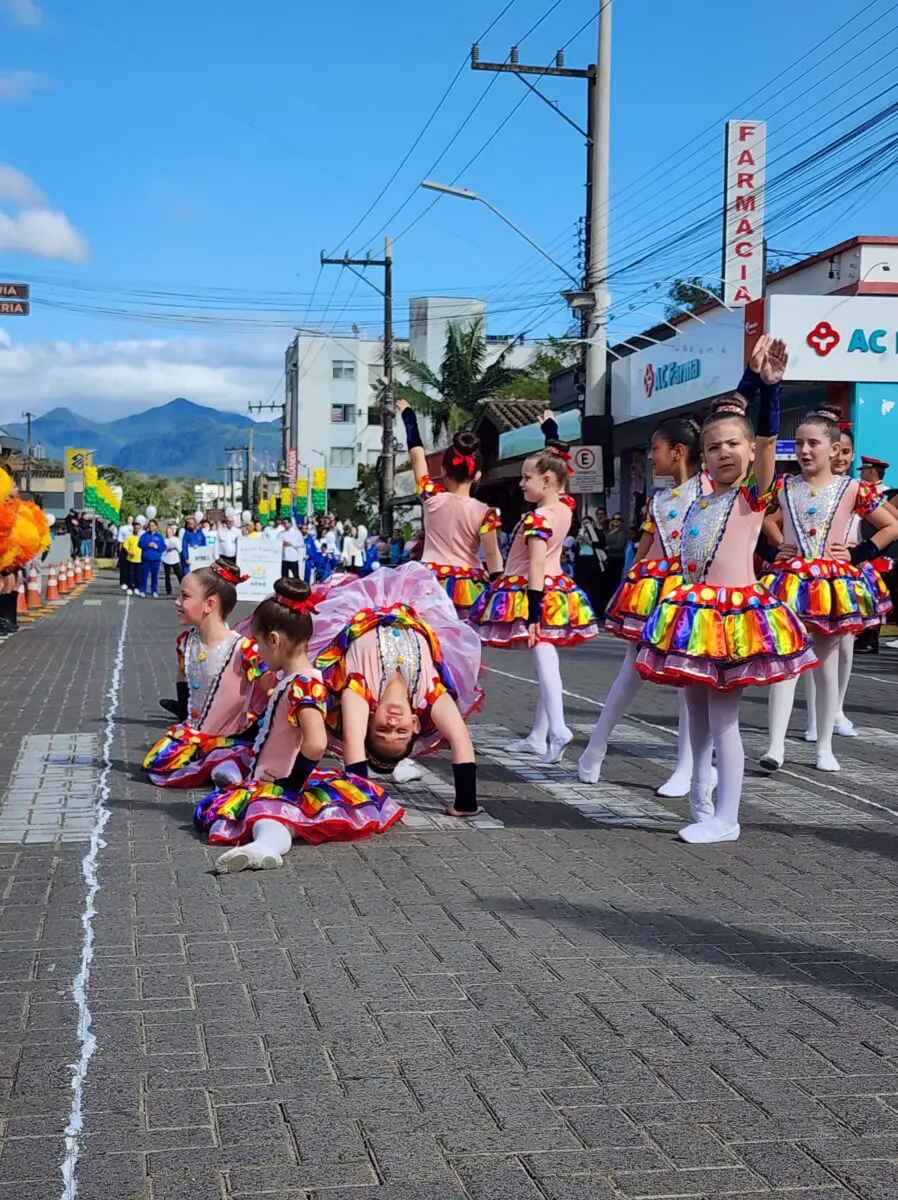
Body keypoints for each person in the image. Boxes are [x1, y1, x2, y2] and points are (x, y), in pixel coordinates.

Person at [635, 335, 815, 845]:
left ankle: (727, 816)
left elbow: (760, 446)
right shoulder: (697, 495)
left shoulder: (751, 495)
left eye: (733, 444)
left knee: (724, 718)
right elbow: (722, 418)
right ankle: (700, 795)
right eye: (713, 447)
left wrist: (769, 391)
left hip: (733, 619)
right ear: (701, 456)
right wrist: (744, 383)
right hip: (693, 612)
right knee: (693, 711)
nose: (724, 452)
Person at [195, 578, 403, 872]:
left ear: (274, 641)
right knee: (255, 805)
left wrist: (292, 784)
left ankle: (265, 847)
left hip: (286, 782)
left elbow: (316, 742)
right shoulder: (295, 680)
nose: (258, 653)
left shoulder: (304, 684)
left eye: (258, 643)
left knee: (269, 814)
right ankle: (263, 841)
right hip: (272, 777)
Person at [578, 415, 712, 799]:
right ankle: (595, 747)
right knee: (631, 671)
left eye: (655, 449)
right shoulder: (660, 500)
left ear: (679, 452)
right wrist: (633, 585)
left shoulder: (716, 493)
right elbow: (644, 550)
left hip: (697, 594)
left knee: (689, 681)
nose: (651, 458)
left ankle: (686, 767)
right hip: (658, 594)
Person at [760, 411, 897, 773]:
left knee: (827, 666)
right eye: (800, 443)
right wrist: (775, 549)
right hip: (790, 581)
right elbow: (758, 518)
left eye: (813, 444)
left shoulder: (853, 489)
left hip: (832, 585)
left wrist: (858, 554)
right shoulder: (784, 486)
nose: (805, 450)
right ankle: (775, 745)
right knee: (786, 662)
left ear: (834, 448)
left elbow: (891, 526)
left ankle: (823, 746)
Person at [309, 561, 485, 817]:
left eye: (383, 729)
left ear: (369, 720)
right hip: (408, 601)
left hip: (357, 603)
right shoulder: (429, 692)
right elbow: (459, 738)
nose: (393, 721)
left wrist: (361, 805)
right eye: (401, 731)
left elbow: (353, 741)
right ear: (415, 723)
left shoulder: (358, 689)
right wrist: (466, 803)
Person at [469, 424, 599, 764]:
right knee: (547, 661)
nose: (521, 483)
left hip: (535, 590)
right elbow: (555, 468)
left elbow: (537, 564)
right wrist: (552, 434)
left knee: (544, 662)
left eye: (527, 477)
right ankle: (540, 735)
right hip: (556, 589)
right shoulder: (564, 508)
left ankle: (557, 728)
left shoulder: (539, 517)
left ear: (548, 481)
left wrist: (533, 611)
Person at [143, 560, 272, 788]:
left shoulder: (244, 650)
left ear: (210, 604)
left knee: (231, 757)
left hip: (231, 735)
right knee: (159, 760)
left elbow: (270, 696)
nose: (177, 602)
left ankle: (228, 764)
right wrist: (185, 715)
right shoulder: (186, 643)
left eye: (185, 596)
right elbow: (183, 682)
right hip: (195, 733)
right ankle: (209, 763)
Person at [397, 398, 503, 620]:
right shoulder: (486, 513)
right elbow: (493, 554)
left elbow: (417, 455)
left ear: (443, 470)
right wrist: (497, 584)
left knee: (431, 639)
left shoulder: (430, 496)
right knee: (465, 641)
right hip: (471, 584)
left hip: (429, 579)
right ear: (477, 476)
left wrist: (409, 418)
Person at [0, 467, 50, 637]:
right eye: (13, 485)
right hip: (4, 554)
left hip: (13, 556)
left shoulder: (19, 508)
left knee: (15, 582)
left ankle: (9, 618)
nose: (17, 489)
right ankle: (5, 618)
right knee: (5, 584)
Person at [138, 518, 166, 598]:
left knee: (155, 576)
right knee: (144, 575)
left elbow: (163, 547)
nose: (151, 527)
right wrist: (148, 545)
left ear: (156, 526)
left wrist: (157, 546)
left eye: (153, 525)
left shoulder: (159, 536)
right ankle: (143, 590)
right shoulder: (145, 535)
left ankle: (154, 590)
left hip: (155, 560)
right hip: (146, 559)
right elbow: (139, 544)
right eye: (150, 525)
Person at [162, 525, 183, 595]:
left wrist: (175, 547)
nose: (169, 533)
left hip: (175, 559)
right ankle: (168, 590)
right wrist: (167, 549)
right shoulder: (164, 540)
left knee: (179, 575)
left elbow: (180, 550)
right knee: (167, 576)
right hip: (166, 560)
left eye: (170, 532)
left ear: (172, 532)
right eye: (167, 532)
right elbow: (162, 551)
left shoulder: (176, 539)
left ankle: (183, 588)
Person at [122, 523, 143, 594]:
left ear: (140, 529)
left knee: (138, 575)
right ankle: (130, 587)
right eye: (135, 528)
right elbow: (125, 546)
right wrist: (129, 553)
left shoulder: (141, 537)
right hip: (130, 559)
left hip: (139, 559)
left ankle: (137, 587)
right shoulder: (129, 537)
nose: (136, 529)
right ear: (133, 528)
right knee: (130, 574)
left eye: (138, 528)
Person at [117, 515, 134, 590]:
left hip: (133, 549)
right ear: (127, 519)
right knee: (123, 566)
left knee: (132, 566)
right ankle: (123, 582)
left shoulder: (135, 528)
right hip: (125, 548)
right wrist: (120, 550)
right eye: (129, 519)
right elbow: (120, 541)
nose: (130, 520)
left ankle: (130, 581)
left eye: (131, 519)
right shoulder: (123, 528)